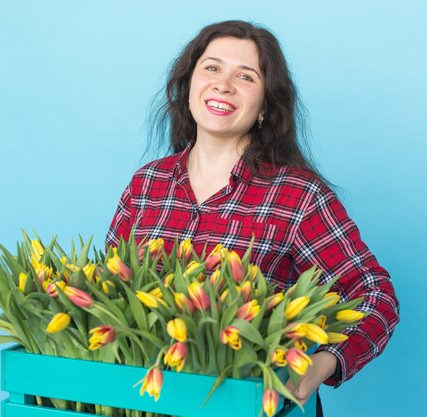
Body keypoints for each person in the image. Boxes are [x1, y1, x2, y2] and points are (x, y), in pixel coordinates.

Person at [106, 20, 400, 416]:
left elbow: (375, 296)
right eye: (211, 68)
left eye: (245, 77)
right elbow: (108, 295)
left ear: (265, 106)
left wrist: (319, 366)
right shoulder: (147, 185)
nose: (223, 85)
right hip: (148, 402)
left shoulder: (297, 196)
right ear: (187, 84)